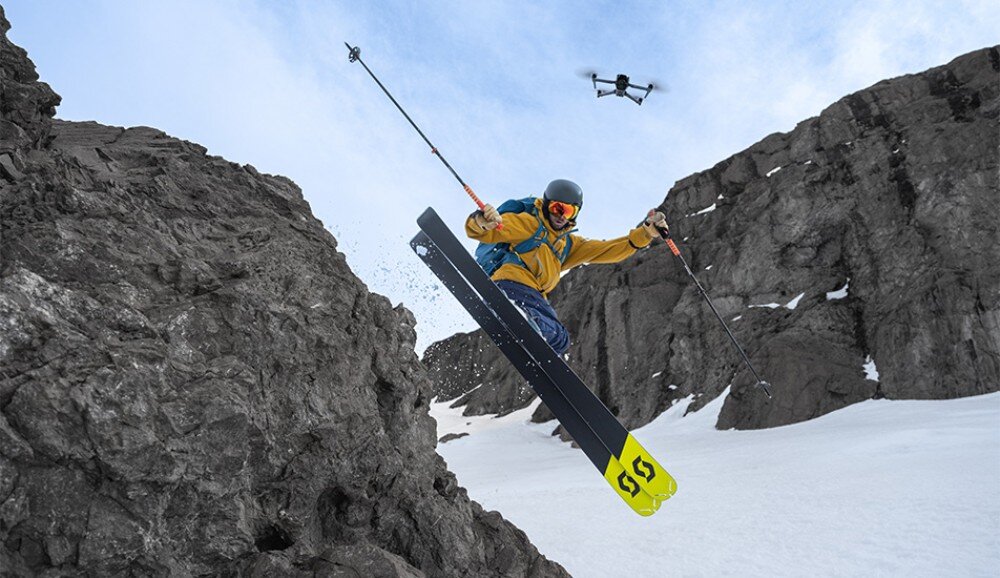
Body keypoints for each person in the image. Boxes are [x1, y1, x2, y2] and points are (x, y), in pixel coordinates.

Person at [465, 179, 667, 355]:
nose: (562, 216)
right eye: (557, 208)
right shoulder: (531, 224)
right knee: (551, 333)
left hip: (533, 295)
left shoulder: (568, 245)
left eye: (569, 211)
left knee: (561, 340)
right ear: (546, 205)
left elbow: (606, 250)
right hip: (512, 283)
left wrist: (645, 235)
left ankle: (538, 349)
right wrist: (483, 222)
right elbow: (494, 229)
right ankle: (518, 317)